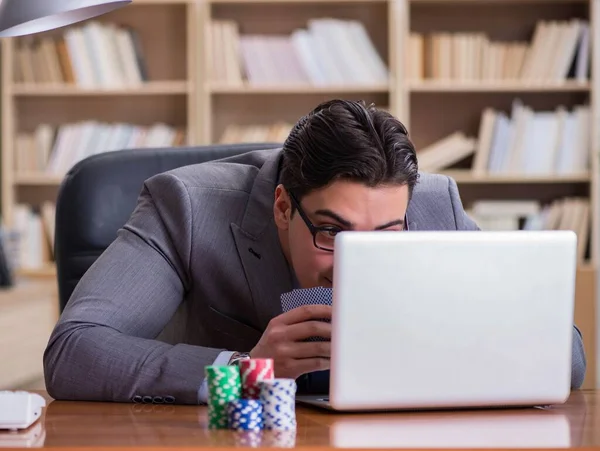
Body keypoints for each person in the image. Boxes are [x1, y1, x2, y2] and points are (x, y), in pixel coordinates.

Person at [43, 99, 586, 404]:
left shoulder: (434, 206)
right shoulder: (186, 207)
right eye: (332, 233)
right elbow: (73, 351)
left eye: (386, 235)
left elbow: (568, 357)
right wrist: (243, 371)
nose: (355, 262)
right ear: (283, 207)